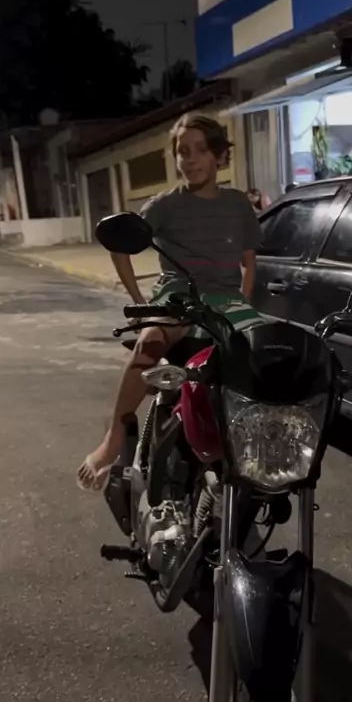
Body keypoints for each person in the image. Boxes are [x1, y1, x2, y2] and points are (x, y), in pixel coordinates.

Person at [78, 114, 264, 490]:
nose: (190, 160)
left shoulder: (238, 204)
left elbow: (249, 261)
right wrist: (139, 303)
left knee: (265, 354)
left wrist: (243, 303)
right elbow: (120, 244)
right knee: (150, 342)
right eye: (182, 152)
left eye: (199, 150)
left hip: (226, 300)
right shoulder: (165, 204)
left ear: (219, 156)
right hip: (178, 294)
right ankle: (113, 439)